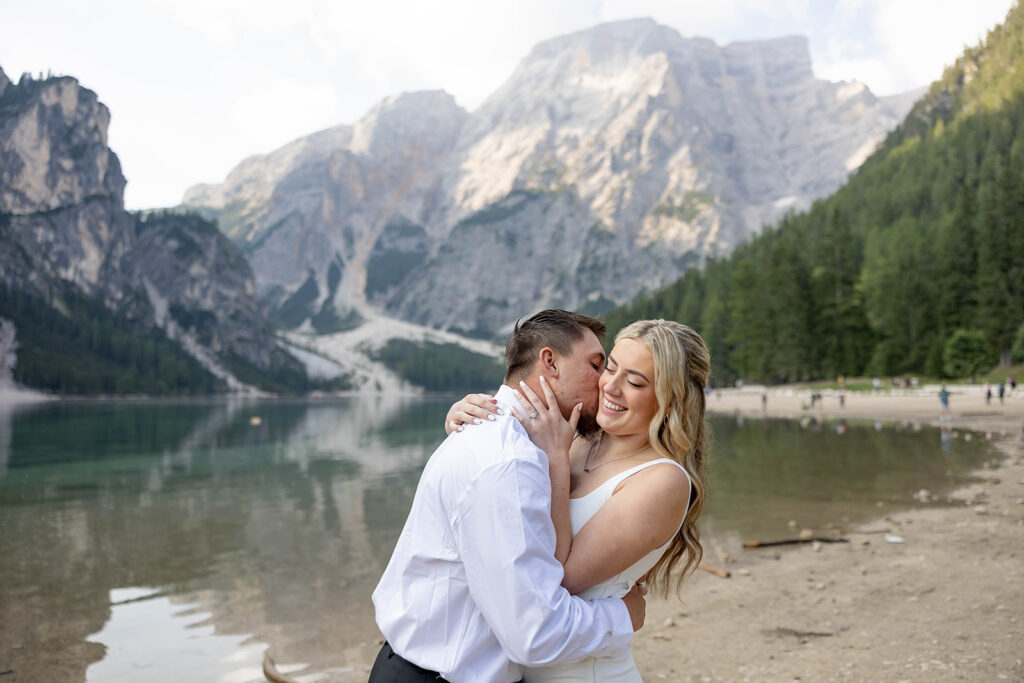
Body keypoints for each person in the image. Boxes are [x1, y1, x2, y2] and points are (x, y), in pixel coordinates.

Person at [370, 310, 647, 683]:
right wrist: (623, 616)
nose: (604, 384)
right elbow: (534, 635)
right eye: (596, 366)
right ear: (549, 362)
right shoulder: (508, 461)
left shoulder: (501, 436)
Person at [446, 319, 710, 681]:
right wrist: (468, 416)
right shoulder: (579, 435)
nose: (610, 387)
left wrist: (556, 460)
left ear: (670, 401)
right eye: (608, 368)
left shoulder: (661, 480)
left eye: (634, 382)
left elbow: (553, 581)